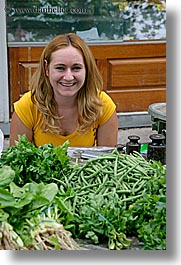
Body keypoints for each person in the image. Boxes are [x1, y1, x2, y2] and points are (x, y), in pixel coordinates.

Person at [10, 33, 118, 147]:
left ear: (87, 69)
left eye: (76, 68)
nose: (68, 77)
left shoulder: (103, 105)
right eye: (60, 68)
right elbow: (18, 160)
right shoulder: (27, 105)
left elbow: (107, 159)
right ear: (47, 68)